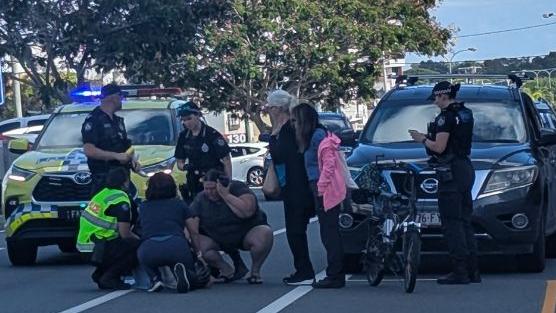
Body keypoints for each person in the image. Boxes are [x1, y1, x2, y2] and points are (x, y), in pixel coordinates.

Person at [410, 81, 479, 285]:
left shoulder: (445, 118)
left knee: (452, 223)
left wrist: (422, 139)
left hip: (451, 171)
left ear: (442, 96)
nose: (434, 102)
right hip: (465, 167)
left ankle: (460, 271)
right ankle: (473, 270)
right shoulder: (465, 113)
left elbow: (439, 147)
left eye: (435, 98)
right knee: (465, 221)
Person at [173, 100, 246, 279]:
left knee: (216, 225)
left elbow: (226, 160)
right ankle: (210, 266)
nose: (186, 122)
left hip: (213, 183)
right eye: (183, 120)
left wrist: (226, 182)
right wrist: (187, 166)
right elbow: (180, 162)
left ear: (198, 116)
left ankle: (237, 262)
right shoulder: (184, 137)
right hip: (194, 183)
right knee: (194, 224)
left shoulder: (212, 135)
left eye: (189, 118)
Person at [291, 103, 345, 288]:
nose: (294, 124)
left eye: (296, 120)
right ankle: (335, 272)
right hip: (319, 186)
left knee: (329, 232)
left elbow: (328, 164)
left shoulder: (318, 136)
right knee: (327, 231)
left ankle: (335, 274)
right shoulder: (316, 135)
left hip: (324, 188)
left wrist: (321, 186)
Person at [266, 90, 316, 285]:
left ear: (277, 109)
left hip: (297, 184)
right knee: (296, 229)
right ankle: (303, 268)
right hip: (295, 184)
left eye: (269, 107)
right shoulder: (289, 127)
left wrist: (273, 138)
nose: (267, 111)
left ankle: (303, 269)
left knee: (295, 229)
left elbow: (281, 155)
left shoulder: (288, 129)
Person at [188, 170, 273, 284]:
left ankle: (255, 272)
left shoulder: (238, 188)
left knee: (265, 233)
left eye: (213, 188)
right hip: (217, 237)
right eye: (206, 189)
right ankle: (226, 270)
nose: (210, 192)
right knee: (195, 241)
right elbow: (191, 225)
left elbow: (247, 211)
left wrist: (226, 195)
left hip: (245, 234)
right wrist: (196, 252)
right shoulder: (201, 198)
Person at [137, 172, 211, 293]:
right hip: (176, 245)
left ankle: (155, 278)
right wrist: (198, 253)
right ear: (172, 187)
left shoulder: (143, 207)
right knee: (193, 275)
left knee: (144, 256)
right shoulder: (179, 205)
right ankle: (186, 276)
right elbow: (193, 232)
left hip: (149, 248)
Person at [76, 167, 141, 290]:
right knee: (136, 246)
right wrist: (141, 241)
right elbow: (125, 234)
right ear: (125, 182)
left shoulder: (103, 194)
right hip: (97, 249)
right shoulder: (120, 200)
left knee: (119, 244)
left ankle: (101, 274)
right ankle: (110, 277)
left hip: (85, 247)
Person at [81, 83, 141, 196]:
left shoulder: (118, 121)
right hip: (104, 180)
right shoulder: (94, 120)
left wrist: (133, 161)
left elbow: (126, 146)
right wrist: (116, 156)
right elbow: (89, 150)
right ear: (113, 97)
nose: (122, 100)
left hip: (122, 178)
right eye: (121, 97)